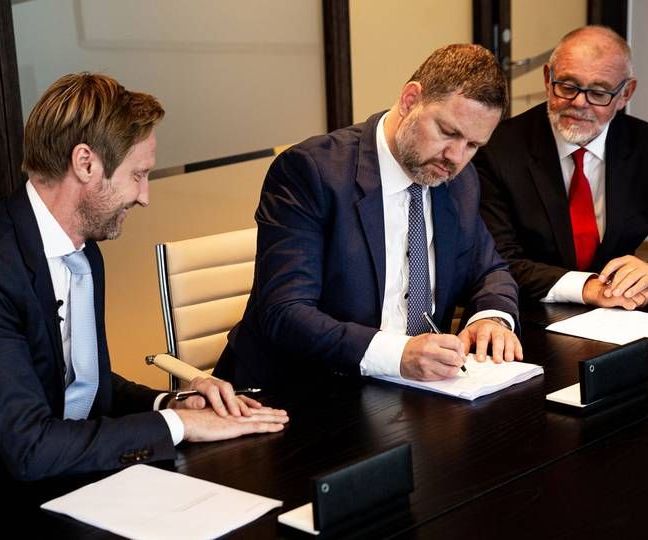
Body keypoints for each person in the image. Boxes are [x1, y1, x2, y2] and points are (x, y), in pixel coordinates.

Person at [0, 73, 288, 518]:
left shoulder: (81, 250)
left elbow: (82, 385)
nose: (144, 197)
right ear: (86, 163)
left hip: (44, 484)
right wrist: (179, 426)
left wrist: (171, 402)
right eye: (138, 175)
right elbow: (29, 445)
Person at [214, 44, 523, 390]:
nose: (455, 156)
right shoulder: (312, 172)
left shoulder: (457, 179)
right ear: (410, 100)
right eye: (447, 132)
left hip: (409, 393)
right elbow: (285, 313)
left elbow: (490, 269)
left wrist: (492, 317)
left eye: (473, 145)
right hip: (298, 393)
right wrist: (397, 355)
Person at [475, 26, 648, 309]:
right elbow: (497, 262)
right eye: (567, 86)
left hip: (618, 318)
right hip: (526, 315)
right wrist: (590, 288)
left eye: (599, 92)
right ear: (547, 79)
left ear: (625, 94)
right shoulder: (496, 149)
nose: (579, 103)